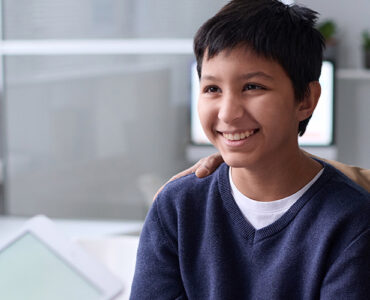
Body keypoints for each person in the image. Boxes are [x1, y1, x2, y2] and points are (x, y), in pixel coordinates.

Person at [130, 1, 370, 299]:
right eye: (212, 89)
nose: (228, 114)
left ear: (306, 100)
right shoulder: (178, 206)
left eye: (253, 87)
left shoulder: (352, 221)